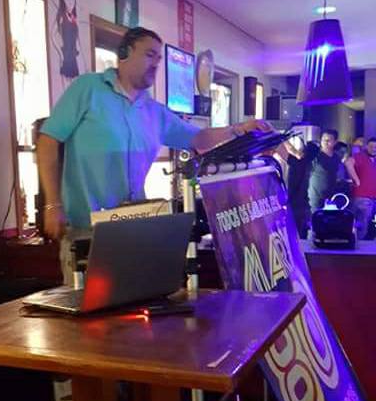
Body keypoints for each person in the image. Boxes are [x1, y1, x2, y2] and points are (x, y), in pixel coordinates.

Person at [37, 26, 271, 283]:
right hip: (86, 230)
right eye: (150, 55)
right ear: (124, 53)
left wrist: (239, 129)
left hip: (133, 229)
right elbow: (48, 140)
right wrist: (52, 204)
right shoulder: (88, 89)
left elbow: (198, 138)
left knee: (137, 302)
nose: (156, 64)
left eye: (159, 58)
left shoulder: (155, 112)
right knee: (88, 306)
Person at [345, 137, 376, 239]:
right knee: (361, 226)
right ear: (366, 146)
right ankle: (357, 245)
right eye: (371, 146)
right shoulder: (361, 156)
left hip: (371, 198)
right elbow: (348, 162)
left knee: (365, 225)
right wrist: (356, 180)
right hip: (363, 197)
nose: (374, 149)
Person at [307, 129, 340, 213]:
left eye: (329, 140)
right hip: (315, 198)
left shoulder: (336, 157)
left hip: (331, 197)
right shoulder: (315, 156)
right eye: (323, 140)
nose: (326, 142)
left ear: (335, 142)